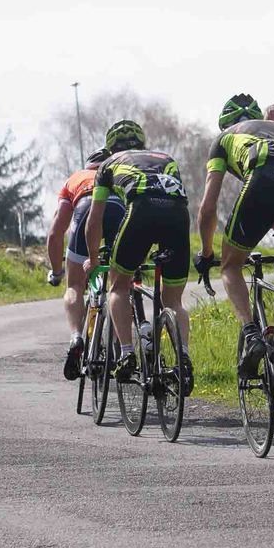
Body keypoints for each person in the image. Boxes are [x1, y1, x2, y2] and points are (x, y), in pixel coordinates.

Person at [194, 94, 274, 374]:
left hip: (262, 177)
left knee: (231, 266)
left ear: (225, 124)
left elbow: (208, 207)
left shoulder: (224, 139)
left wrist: (206, 252)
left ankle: (251, 334)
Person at [82, 121, 193, 391]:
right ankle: (183, 359)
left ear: (110, 148)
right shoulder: (166, 158)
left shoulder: (108, 165)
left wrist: (93, 260)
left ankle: (127, 353)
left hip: (140, 210)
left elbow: (94, 220)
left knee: (119, 286)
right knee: (173, 300)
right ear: (142, 144)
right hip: (178, 216)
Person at [44, 148, 125, 379]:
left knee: (75, 286)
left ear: (88, 165)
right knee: (121, 286)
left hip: (85, 208)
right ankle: (121, 345)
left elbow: (55, 233)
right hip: (118, 209)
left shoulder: (75, 178)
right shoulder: (120, 173)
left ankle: (76, 337)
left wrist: (57, 272)